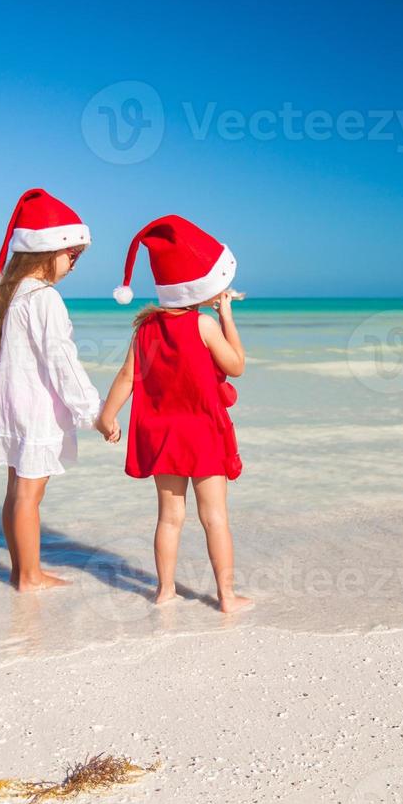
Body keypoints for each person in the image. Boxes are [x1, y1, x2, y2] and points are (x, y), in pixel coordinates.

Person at [97, 215, 252, 613]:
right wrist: (227, 316)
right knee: (214, 517)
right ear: (200, 288)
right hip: (201, 432)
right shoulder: (203, 325)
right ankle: (227, 597)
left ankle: (165, 591)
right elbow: (235, 365)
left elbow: (127, 377)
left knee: (169, 518)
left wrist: (107, 416)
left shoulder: (145, 329)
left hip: (163, 435)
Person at [0, 189, 115, 591]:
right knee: (29, 495)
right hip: (35, 408)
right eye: (71, 255)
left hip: (12, 406)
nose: (74, 266)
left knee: (16, 491)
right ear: (45, 250)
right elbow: (62, 361)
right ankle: (30, 576)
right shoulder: (45, 299)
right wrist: (95, 412)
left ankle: (20, 570)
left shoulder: (11, 294)